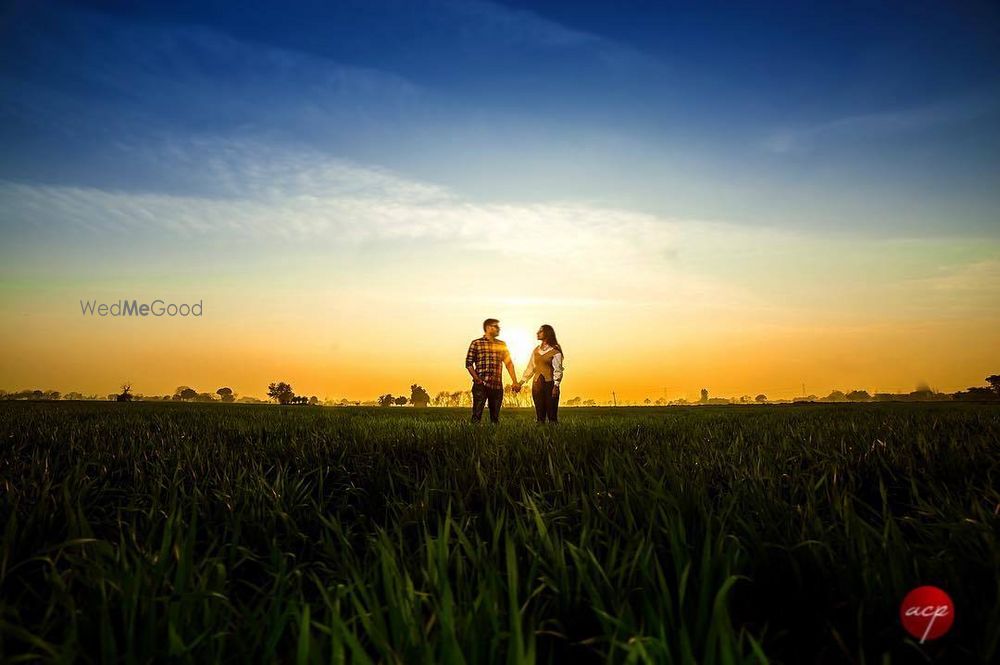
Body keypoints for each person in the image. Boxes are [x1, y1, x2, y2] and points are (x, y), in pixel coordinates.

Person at [465, 318, 520, 423]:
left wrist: (515, 381)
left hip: (497, 385)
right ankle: (473, 436)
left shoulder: (502, 344)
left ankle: (493, 437)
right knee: (476, 415)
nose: (498, 329)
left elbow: (509, 364)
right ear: (488, 328)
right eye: (496, 326)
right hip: (481, 385)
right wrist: (476, 379)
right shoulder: (476, 343)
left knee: (495, 418)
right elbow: (468, 363)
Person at [519, 324, 564, 423]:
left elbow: (558, 369)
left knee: (552, 415)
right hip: (536, 384)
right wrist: (520, 383)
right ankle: (540, 435)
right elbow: (530, 367)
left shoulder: (555, 351)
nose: (537, 333)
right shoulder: (536, 350)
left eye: (540, 331)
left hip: (550, 384)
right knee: (540, 415)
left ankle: (554, 435)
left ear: (547, 333)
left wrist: (556, 386)